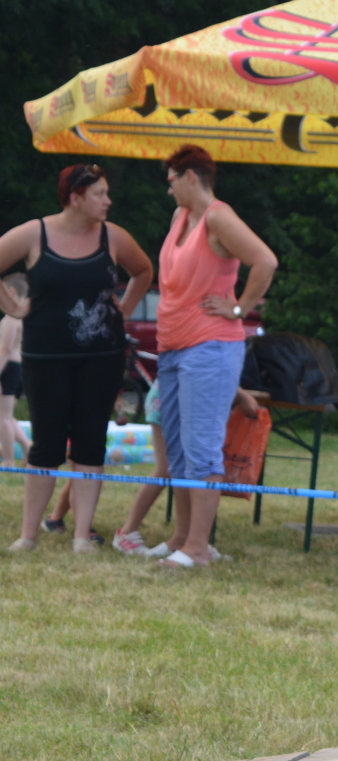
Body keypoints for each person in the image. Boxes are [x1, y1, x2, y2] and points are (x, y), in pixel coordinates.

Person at [0, 163, 153, 554]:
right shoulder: (34, 233)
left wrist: (126, 307)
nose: (108, 200)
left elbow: (143, 270)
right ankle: (28, 535)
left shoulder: (113, 236)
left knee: (90, 442)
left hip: (101, 357)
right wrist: (13, 307)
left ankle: (82, 535)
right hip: (45, 357)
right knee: (45, 445)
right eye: (99, 193)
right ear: (75, 197)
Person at [152, 145, 278, 568]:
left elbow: (265, 261)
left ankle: (198, 548)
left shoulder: (218, 217)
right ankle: (182, 537)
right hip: (172, 348)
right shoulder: (180, 216)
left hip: (210, 347)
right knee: (177, 449)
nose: (168, 188)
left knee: (202, 447)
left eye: (171, 179)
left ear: (190, 176)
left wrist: (239, 308)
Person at [113, 383, 261, 556]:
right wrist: (241, 395)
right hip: (170, 402)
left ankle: (191, 540)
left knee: (182, 471)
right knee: (165, 470)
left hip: (185, 403)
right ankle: (127, 532)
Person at [0, 275, 32, 476]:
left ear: (11, 292)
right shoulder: (21, 317)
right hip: (14, 368)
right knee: (7, 415)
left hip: (8, 367)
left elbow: (5, 348)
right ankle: (27, 447)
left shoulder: (12, 318)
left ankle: (9, 461)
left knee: (3, 417)